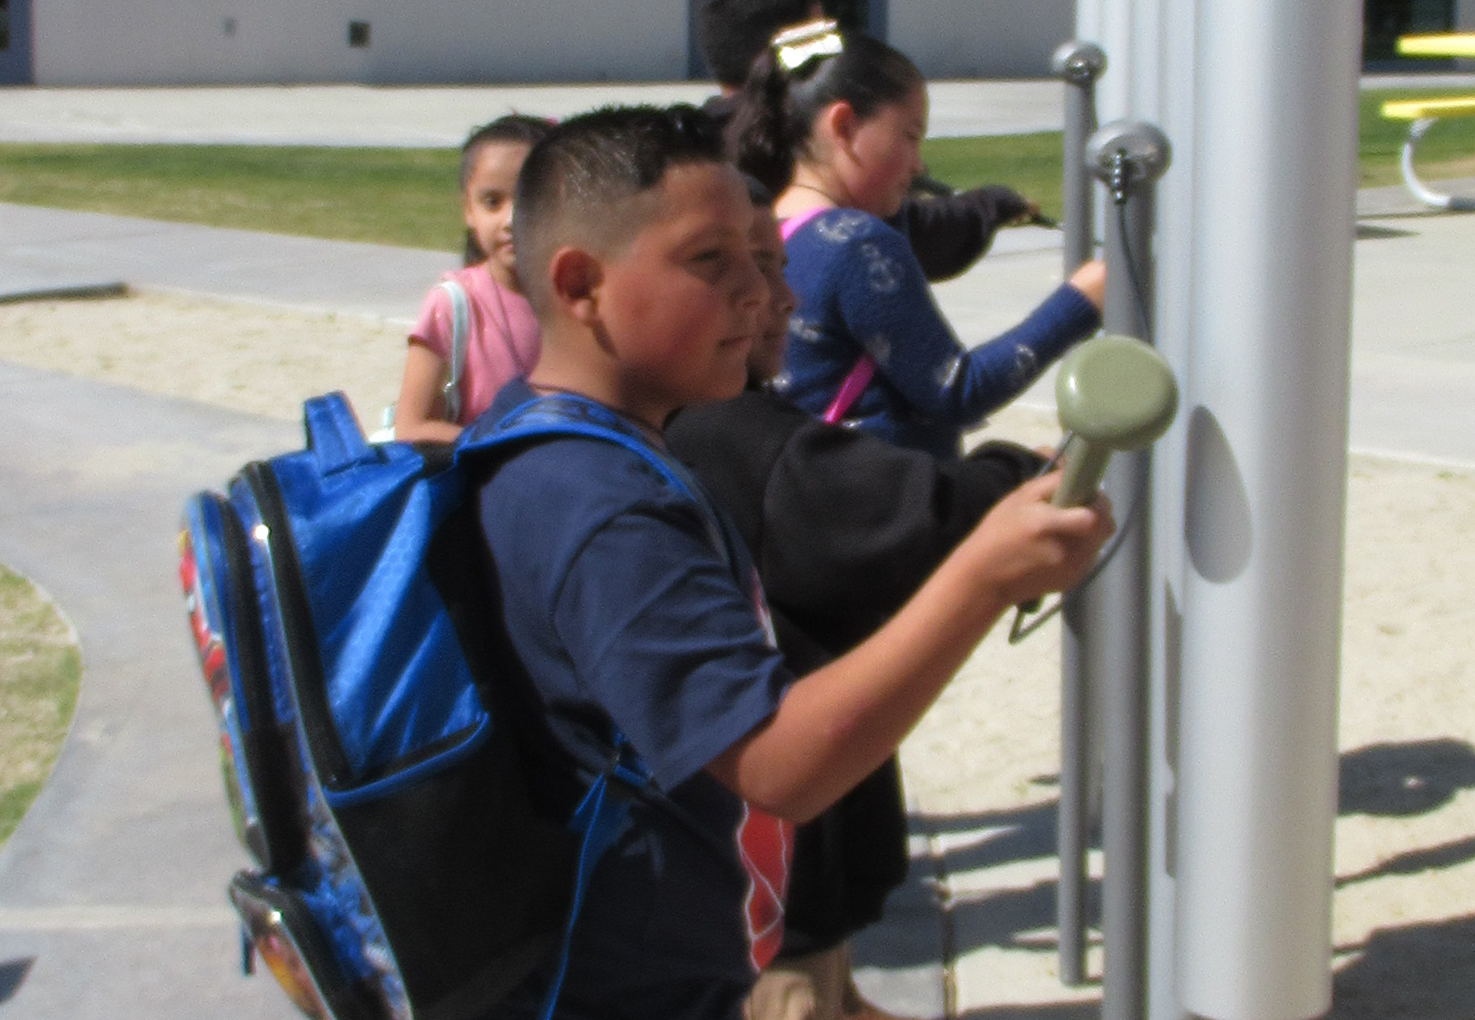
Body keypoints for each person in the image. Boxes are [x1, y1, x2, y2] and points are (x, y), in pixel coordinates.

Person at [465, 104, 1112, 1019]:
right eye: (710, 260)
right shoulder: (601, 509)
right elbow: (779, 765)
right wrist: (986, 576)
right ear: (580, 285)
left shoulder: (547, 431)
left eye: (763, 258)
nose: (763, 295)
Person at [665, 178, 1053, 1020]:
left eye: (774, 265)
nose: (778, 297)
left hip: (732, 868)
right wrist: (1021, 472)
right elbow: (917, 520)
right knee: (798, 993)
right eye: (731, 265)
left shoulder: (631, 425)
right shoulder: (740, 439)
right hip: (776, 880)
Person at [727, 20, 1106, 459]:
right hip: (882, 492)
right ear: (844, 126)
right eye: (909, 136)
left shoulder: (774, 230)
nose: (919, 165)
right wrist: (1081, 301)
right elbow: (956, 390)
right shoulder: (856, 244)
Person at [694, 0, 1038, 283]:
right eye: (822, 40)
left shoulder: (690, 152)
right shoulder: (850, 235)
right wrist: (993, 204)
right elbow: (922, 234)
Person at [391, 114, 553, 443]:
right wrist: (497, 445)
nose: (510, 220)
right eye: (492, 202)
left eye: (528, 199)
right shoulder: (452, 304)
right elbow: (410, 427)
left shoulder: (581, 297)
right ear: (468, 209)